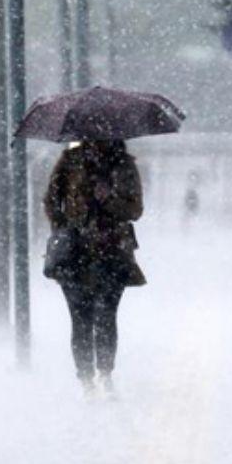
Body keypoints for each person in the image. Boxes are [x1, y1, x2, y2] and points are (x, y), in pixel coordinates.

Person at [44, 139, 145, 396]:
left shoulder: (124, 165)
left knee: (107, 316)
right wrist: (64, 227)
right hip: (74, 253)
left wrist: (109, 199)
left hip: (112, 251)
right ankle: (86, 378)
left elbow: (135, 210)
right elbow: (51, 200)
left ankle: (105, 373)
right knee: (80, 318)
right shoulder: (70, 161)